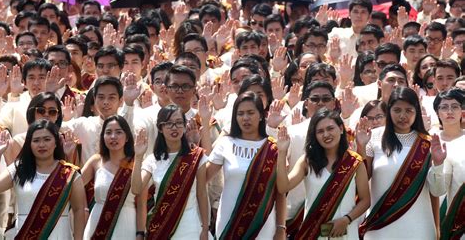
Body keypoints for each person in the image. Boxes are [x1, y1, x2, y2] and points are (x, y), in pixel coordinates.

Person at [356, 87, 444, 239]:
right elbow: (361, 182)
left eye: (409, 110)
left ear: (416, 111)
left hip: (419, 229)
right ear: (389, 111)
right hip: (381, 226)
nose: (403, 116)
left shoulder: (426, 143)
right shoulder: (374, 137)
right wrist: (361, 147)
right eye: (397, 110)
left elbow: (436, 191)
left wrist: (438, 164)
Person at [277, 108, 370, 239]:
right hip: (314, 233)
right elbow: (283, 187)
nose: (326, 134)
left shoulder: (354, 162)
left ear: (341, 129)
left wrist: (346, 219)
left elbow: (365, 200)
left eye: (330, 128)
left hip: (347, 233)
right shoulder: (307, 161)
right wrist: (282, 152)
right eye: (320, 131)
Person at [206, 92, 286, 239]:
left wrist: (281, 227)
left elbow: (280, 191)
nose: (245, 118)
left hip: (262, 224)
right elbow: (203, 177)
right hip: (229, 221)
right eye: (240, 114)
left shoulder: (274, 147)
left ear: (261, 115)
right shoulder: (226, 143)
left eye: (250, 113)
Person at [0, 120, 86, 239]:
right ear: (29, 144)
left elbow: (79, 210)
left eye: (47, 139)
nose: (41, 144)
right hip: (25, 233)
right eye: (36, 140)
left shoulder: (69, 173)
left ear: (56, 142)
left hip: (59, 234)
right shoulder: (19, 169)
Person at [131, 105, 209, 239]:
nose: (174, 127)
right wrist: (138, 157)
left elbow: (201, 193)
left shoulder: (196, 156)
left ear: (185, 126)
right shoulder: (153, 160)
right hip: (161, 226)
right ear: (160, 128)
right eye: (169, 123)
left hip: (189, 225)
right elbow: (136, 189)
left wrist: (205, 228)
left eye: (179, 123)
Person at [81, 115, 147, 240]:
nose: (113, 137)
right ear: (103, 137)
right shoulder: (96, 161)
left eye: (118, 132)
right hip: (98, 224)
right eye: (108, 132)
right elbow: (73, 186)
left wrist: (140, 233)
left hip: (127, 225)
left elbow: (142, 204)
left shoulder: (136, 164)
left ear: (127, 137)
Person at [428, 89, 465, 240]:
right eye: (444, 107)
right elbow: (437, 190)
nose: (450, 111)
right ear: (437, 112)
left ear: (462, 111)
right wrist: (437, 164)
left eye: (455, 106)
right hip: (448, 216)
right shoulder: (431, 141)